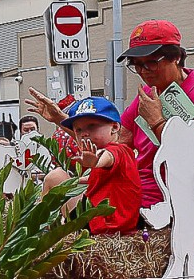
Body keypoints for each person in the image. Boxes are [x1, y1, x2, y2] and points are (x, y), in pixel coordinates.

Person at [28, 20, 194, 201]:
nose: (143, 71)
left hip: (165, 199)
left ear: (176, 57)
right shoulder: (148, 93)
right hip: (131, 188)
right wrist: (62, 119)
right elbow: (115, 141)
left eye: (151, 62)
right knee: (55, 179)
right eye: (137, 65)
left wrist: (157, 122)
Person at [40, 97, 140, 234]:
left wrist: (95, 162)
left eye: (92, 126)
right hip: (105, 221)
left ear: (115, 127)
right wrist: (76, 180)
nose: (84, 133)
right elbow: (101, 179)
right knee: (60, 178)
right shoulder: (119, 155)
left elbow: (107, 157)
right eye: (79, 130)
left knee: (55, 176)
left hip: (102, 223)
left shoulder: (117, 151)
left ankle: (41, 229)